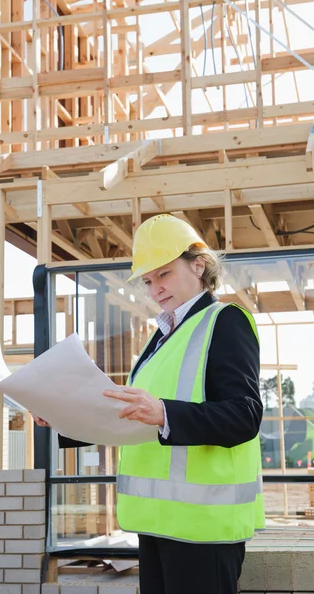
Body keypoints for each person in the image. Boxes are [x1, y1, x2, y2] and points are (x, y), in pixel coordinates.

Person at [33, 213, 265, 594]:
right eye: (148, 280)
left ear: (199, 264)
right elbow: (130, 418)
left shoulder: (224, 321)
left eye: (164, 274)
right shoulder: (160, 339)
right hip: (156, 526)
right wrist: (64, 419)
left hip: (203, 531)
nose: (155, 288)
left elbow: (244, 415)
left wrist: (165, 412)